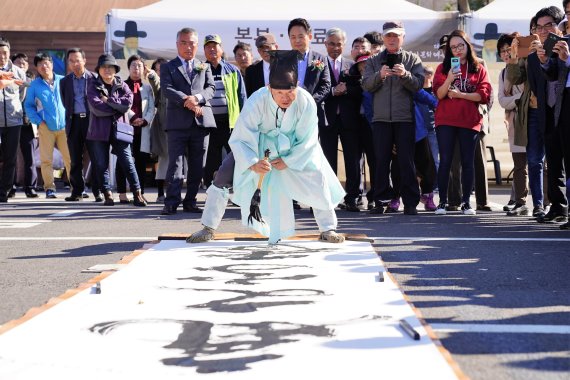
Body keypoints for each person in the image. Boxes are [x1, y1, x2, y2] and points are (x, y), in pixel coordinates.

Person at [188, 50, 345, 244]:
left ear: (297, 86)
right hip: (259, 146)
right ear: (269, 87)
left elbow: (309, 140)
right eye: (279, 93)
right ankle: (208, 227)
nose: (285, 98)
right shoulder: (257, 99)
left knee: (317, 175)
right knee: (223, 175)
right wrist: (252, 162)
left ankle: (328, 228)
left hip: (296, 150)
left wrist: (289, 159)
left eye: (290, 92)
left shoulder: (306, 102)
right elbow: (242, 136)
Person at [507, 7, 565, 220]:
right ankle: (540, 205)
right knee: (535, 160)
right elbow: (515, 79)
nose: (541, 31)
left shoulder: (562, 49)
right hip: (535, 112)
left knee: (556, 161)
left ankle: (557, 205)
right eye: (537, 27)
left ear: (558, 26)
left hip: (558, 111)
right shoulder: (531, 54)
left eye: (547, 26)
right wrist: (514, 56)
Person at [362, 20, 424, 215]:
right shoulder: (373, 61)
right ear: (383, 38)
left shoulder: (413, 60)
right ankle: (380, 200)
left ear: (402, 37)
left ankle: (411, 202)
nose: (392, 39)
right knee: (380, 161)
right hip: (380, 119)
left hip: (404, 118)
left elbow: (419, 85)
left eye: (396, 35)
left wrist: (405, 75)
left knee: (406, 161)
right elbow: (366, 85)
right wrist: (379, 75)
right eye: (388, 35)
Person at [432, 30, 492, 215]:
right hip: (446, 120)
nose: (457, 50)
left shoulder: (479, 68)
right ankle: (442, 202)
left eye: (460, 45)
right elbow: (439, 94)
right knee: (446, 161)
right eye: (453, 47)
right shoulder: (443, 68)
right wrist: (450, 78)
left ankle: (466, 203)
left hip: (469, 121)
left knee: (468, 162)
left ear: (467, 45)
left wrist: (460, 95)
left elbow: (483, 96)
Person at [160, 28, 216, 215]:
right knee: (175, 164)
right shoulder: (169, 67)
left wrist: (197, 98)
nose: (188, 46)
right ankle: (171, 201)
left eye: (192, 43)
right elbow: (167, 88)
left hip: (201, 121)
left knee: (198, 164)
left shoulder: (204, 65)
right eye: (184, 42)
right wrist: (187, 100)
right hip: (177, 123)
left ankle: (191, 200)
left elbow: (211, 88)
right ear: (177, 44)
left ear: (197, 45)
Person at [86, 54, 146, 207]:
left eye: (110, 67)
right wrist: (116, 109)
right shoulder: (92, 86)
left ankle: (137, 194)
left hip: (121, 129)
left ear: (115, 69)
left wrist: (109, 100)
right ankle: (107, 194)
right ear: (98, 69)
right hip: (98, 130)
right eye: (104, 67)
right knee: (101, 164)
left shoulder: (122, 85)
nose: (107, 70)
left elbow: (127, 105)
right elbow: (97, 108)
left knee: (127, 161)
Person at [288, 17, 331, 210]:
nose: (297, 40)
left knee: (313, 158)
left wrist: (310, 102)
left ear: (310, 36)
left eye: (300, 36)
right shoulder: (284, 58)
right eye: (293, 37)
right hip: (289, 116)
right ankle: (291, 196)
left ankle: (316, 198)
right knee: (289, 156)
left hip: (313, 115)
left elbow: (326, 85)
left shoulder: (319, 59)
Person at [537, 6, 570, 228]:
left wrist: (568, 60)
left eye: (547, 25)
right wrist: (544, 60)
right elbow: (553, 74)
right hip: (561, 104)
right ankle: (561, 208)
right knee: (559, 159)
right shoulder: (563, 40)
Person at [322, 27, 361, 212]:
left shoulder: (351, 66)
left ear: (344, 45)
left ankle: (352, 197)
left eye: (339, 44)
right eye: (331, 43)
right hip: (327, 119)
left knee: (352, 160)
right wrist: (332, 91)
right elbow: (316, 91)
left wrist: (347, 90)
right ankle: (329, 197)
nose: (335, 47)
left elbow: (361, 90)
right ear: (325, 44)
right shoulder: (318, 64)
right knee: (328, 160)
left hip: (349, 120)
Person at [201, 34, 247, 189]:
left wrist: (244, 122)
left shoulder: (232, 70)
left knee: (235, 157)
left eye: (215, 46)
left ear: (221, 48)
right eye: (208, 46)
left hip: (230, 122)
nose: (212, 49)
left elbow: (242, 97)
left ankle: (237, 189)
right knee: (210, 159)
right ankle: (210, 188)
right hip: (209, 122)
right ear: (204, 50)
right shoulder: (199, 70)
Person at [24, 53, 71, 199]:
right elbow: (29, 106)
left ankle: (77, 187)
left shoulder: (63, 80)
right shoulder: (34, 85)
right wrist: (38, 121)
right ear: (37, 68)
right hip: (46, 127)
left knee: (70, 158)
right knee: (46, 159)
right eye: (40, 64)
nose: (44, 66)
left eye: (47, 63)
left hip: (65, 126)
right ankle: (49, 188)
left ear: (52, 64)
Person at [60, 48, 101, 202]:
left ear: (84, 60)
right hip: (74, 121)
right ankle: (77, 191)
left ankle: (98, 191)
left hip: (92, 121)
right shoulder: (64, 82)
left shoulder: (95, 78)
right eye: (71, 61)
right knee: (75, 159)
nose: (75, 64)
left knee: (97, 158)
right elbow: (66, 103)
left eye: (78, 60)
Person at [115, 54, 155, 204]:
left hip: (142, 130)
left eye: (139, 66)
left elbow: (151, 107)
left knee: (140, 162)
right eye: (133, 65)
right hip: (125, 127)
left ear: (143, 69)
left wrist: (145, 120)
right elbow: (120, 104)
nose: (136, 68)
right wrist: (133, 117)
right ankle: (121, 193)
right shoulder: (121, 85)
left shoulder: (147, 87)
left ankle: (139, 192)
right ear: (129, 68)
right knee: (122, 161)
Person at [497, 33, 529, 216]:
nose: (506, 54)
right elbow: (502, 100)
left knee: (541, 164)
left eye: (509, 49)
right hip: (515, 121)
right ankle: (520, 202)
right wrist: (520, 99)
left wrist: (515, 100)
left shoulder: (525, 65)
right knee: (519, 165)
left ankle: (546, 203)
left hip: (531, 119)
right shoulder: (503, 73)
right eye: (502, 51)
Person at [0, 39, 27, 203]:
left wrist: (15, 108)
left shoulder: (18, 72)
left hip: (13, 121)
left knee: (10, 157)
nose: (2, 57)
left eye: (4, 53)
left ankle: (4, 192)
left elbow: (22, 94)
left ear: (9, 53)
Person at [9, 52, 38, 198]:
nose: (22, 65)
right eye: (18, 63)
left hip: (28, 123)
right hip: (11, 121)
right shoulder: (7, 79)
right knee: (11, 156)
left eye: (24, 63)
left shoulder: (32, 80)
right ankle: (10, 187)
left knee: (30, 158)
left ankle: (30, 187)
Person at [147, 58, 168, 202]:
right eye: (157, 69)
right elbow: (156, 84)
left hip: (177, 128)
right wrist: (153, 75)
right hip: (160, 128)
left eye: (162, 69)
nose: (160, 72)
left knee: (177, 162)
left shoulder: (173, 83)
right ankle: (160, 193)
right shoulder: (152, 85)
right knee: (162, 160)